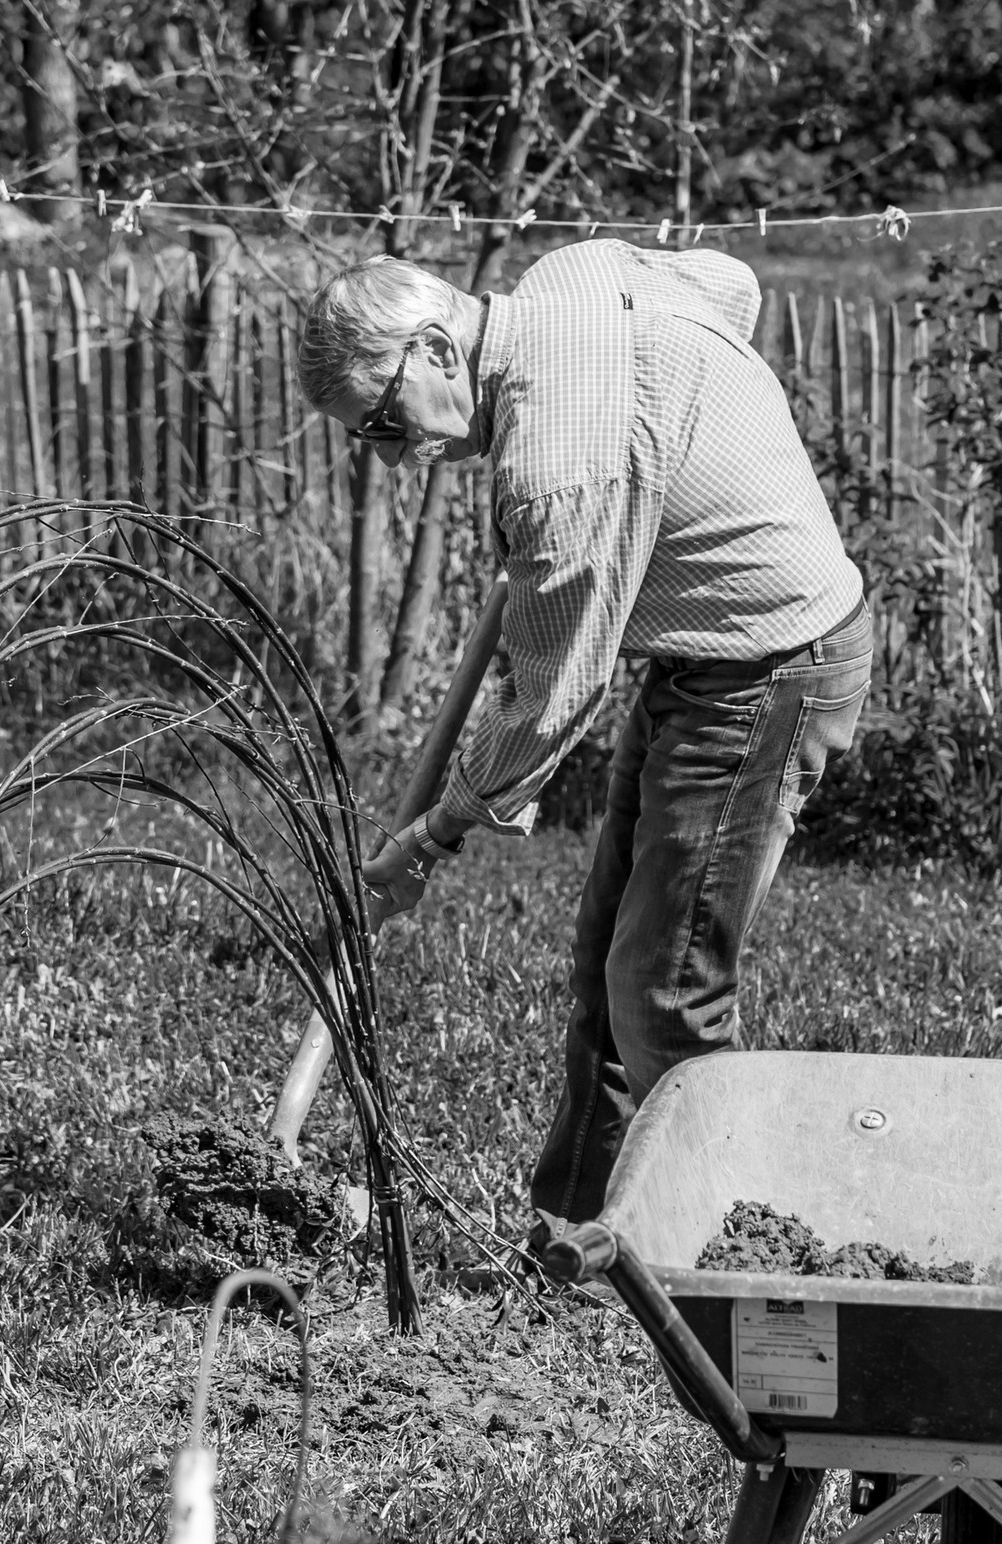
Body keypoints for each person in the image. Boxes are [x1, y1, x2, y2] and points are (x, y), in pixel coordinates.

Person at [298, 237, 870, 1257]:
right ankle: (574, 1234)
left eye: (384, 423)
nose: (390, 455)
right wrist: (675, 431)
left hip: (775, 664)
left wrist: (429, 838)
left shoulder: (555, 464)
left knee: (664, 985)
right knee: (611, 960)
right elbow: (726, 284)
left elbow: (554, 696)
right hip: (703, 653)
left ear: (434, 348)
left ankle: (729, 1250)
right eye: (368, 439)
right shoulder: (567, 279)